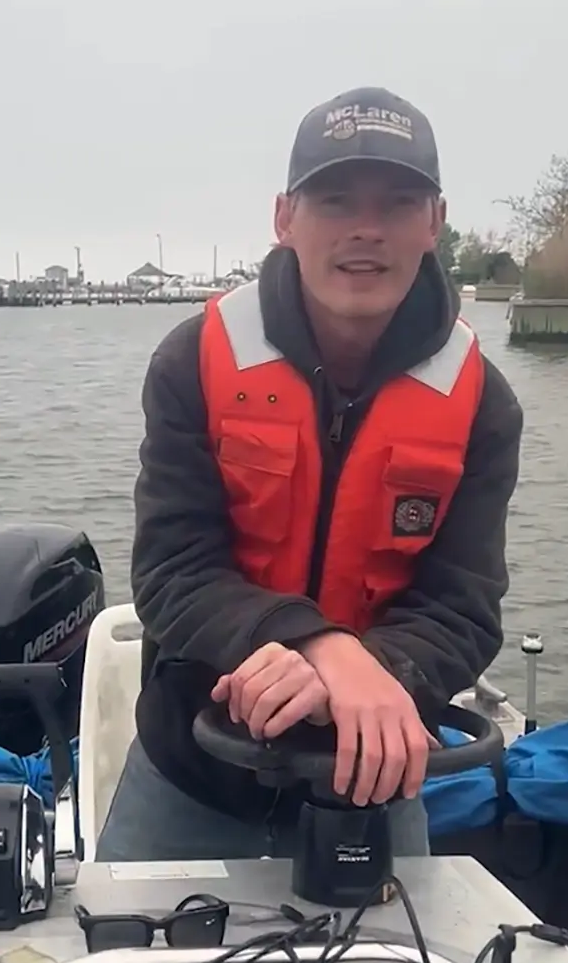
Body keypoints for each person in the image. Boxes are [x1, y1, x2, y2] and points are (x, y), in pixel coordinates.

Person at [95, 86, 523, 863]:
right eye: (335, 199)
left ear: (434, 223)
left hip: (375, 782)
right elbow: (171, 574)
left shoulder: (482, 404)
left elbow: (464, 610)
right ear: (285, 217)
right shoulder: (192, 363)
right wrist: (324, 648)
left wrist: (375, 672)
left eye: (397, 202)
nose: (366, 228)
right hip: (191, 772)